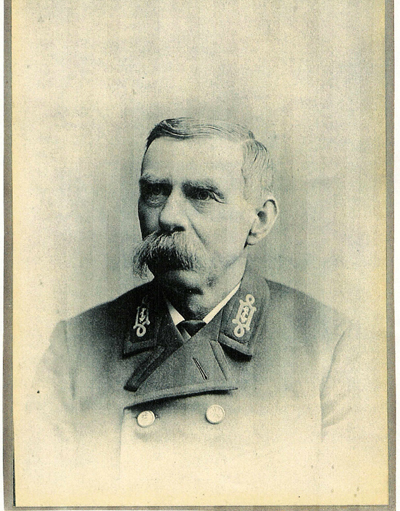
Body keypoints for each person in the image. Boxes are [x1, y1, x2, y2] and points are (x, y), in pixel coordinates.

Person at [28, 118, 377, 506]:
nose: (169, 216)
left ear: (259, 221)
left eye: (202, 195)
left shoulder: (332, 346)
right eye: (155, 192)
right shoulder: (75, 347)